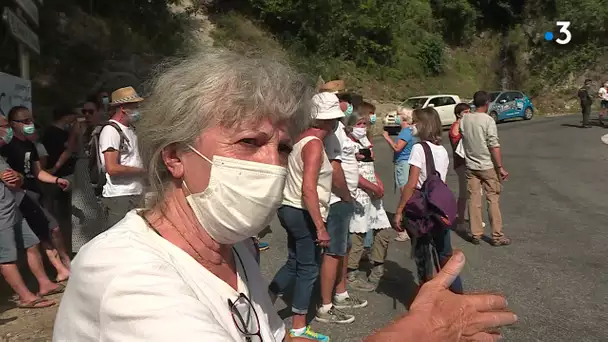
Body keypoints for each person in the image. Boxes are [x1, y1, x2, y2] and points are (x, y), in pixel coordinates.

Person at [52, 49, 517, 342]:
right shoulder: (125, 276)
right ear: (175, 157)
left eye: (281, 147)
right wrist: (416, 332)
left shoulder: (232, 250)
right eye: (249, 142)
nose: (272, 164)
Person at [269, 92, 343, 341]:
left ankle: (265, 301)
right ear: (327, 121)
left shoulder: (301, 140)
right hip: (302, 211)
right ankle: (299, 325)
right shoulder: (314, 145)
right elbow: (309, 188)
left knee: (294, 261)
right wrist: (320, 227)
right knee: (309, 268)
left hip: (289, 208)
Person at [316, 93, 372, 326]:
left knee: (343, 247)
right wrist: (346, 194)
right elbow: (334, 167)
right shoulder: (332, 132)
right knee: (334, 252)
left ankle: (341, 294)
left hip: (344, 197)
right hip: (338, 198)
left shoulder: (339, 129)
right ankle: (326, 305)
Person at [394, 108, 463, 293]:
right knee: (444, 253)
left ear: (423, 125)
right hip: (438, 207)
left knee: (423, 254)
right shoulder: (441, 150)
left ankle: (426, 295)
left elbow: (411, 183)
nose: (411, 126)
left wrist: (400, 210)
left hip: (422, 208)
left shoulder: (419, 148)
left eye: (414, 122)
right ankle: (455, 293)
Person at [0, 115, 63, 309]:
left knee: (32, 243)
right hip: (1, 213)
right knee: (6, 256)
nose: (7, 130)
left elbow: (15, 178)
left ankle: (44, 283)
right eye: (4, 126)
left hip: (12, 206)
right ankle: (26, 297)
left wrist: (16, 176)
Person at [3, 106, 72, 275]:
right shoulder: (7, 147)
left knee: (48, 230)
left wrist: (56, 180)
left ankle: (63, 264)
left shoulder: (30, 145)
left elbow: (38, 172)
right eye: (25, 121)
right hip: (21, 196)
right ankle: (61, 267)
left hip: (36, 193)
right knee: (48, 229)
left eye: (31, 120)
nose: (30, 124)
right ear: (13, 124)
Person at [345, 111, 392, 290]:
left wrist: (378, 182)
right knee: (358, 233)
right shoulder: (347, 145)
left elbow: (370, 167)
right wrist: (373, 188)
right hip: (359, 194)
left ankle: (378, 268)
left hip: (372, 193)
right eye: (359, 124)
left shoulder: (365, 143)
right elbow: (352, 173)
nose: (362, 128)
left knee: (384, 231)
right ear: (350, 127)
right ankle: (351, 273)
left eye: (364, 124)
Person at [460, 91, 511, 246]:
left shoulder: (465, 119)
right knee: (493, 199)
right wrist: (500, 167)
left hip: (471, 165)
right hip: (486, 165)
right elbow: (493, 145)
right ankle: (497, 235)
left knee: (474, 199)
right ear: (487, 103)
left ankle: (476, 233)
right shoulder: (488, 120)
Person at [98, 86, 146, 228]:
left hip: (136, 193)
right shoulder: (111, 131)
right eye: (135, 106)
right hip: (120, 197)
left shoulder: (132, 130)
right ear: (123, 108)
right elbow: (112, 168)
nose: (138, 110)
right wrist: (143, 171)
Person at [70, 98, 106, 252]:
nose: (87, 115)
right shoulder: (82, 130)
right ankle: (82, 249)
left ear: (99, 112)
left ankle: (98, 249)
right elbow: (70, 149)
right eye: (84, 112)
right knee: (82, 213)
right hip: (82, 172)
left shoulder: (105, 129)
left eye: (90, 112)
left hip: (97, 174)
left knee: (97, 213)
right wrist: (76, 133)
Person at [42, 105, 79, 254]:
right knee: (59, 215)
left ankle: (68, 246)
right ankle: (64, 247)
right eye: (72, 116)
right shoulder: (52, 133)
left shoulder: (62, 132)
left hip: (62, 176)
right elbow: (68, 150)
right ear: (65, 116)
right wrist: (54, 172)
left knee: (66, 213)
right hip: (57, 178)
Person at [448, 103, 486, 230]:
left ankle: (465, 220)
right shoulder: (457, 126)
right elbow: (454, 136)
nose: (469, 114)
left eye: (470, 111)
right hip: (462, 164)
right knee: (467, 193)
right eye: (466, 112)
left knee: (471, 193)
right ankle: (463, 221)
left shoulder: (465, 124)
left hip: (470, 162)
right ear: (459, 114)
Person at [382, 107, 415, 242]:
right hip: (406, 163)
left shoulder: (405, 133)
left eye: (399, 115)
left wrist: (387, 138)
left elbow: (397, 148)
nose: (396, 117)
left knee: (405, 196)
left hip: (403, 164)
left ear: (404, 118)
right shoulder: (410, 131)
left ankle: (405, 229)